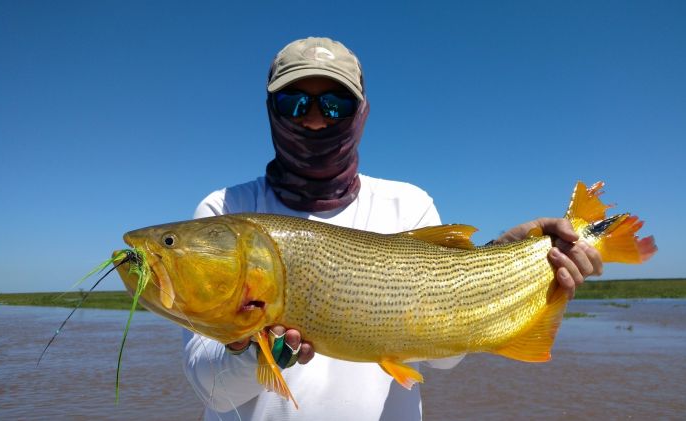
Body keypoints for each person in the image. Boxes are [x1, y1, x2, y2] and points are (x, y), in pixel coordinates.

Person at [183, 37, 602, 421]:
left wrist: (506, 263)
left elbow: (444, 358)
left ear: (361, 112)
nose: (314, 120)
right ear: (271, 110)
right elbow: (212, 391)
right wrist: (246, 351)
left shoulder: (408, 205)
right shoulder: (226, 213)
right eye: (294, 102)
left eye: (335, 105)